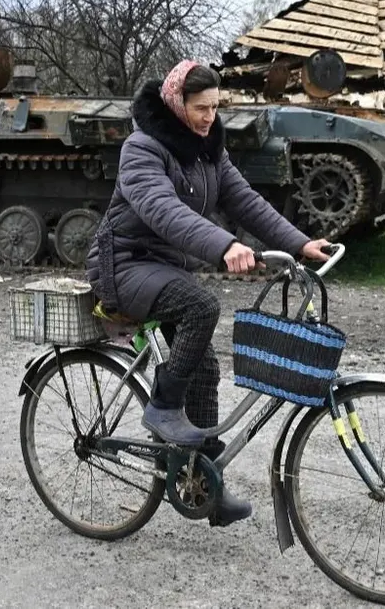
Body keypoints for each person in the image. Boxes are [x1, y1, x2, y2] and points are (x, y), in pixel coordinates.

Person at [85, 60, 331, 526]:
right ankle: (162, 407)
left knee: (205, 367)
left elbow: (245, 201)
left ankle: (202, 485)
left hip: (165, 268)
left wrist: (299, 243)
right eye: (201, 108)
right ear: (176, 103)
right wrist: (224, 245)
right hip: (124, 265)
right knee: (202, 306)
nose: (209, 118)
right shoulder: (143, 148)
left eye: (216, 108)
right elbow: (162, 209)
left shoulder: (208, 149)